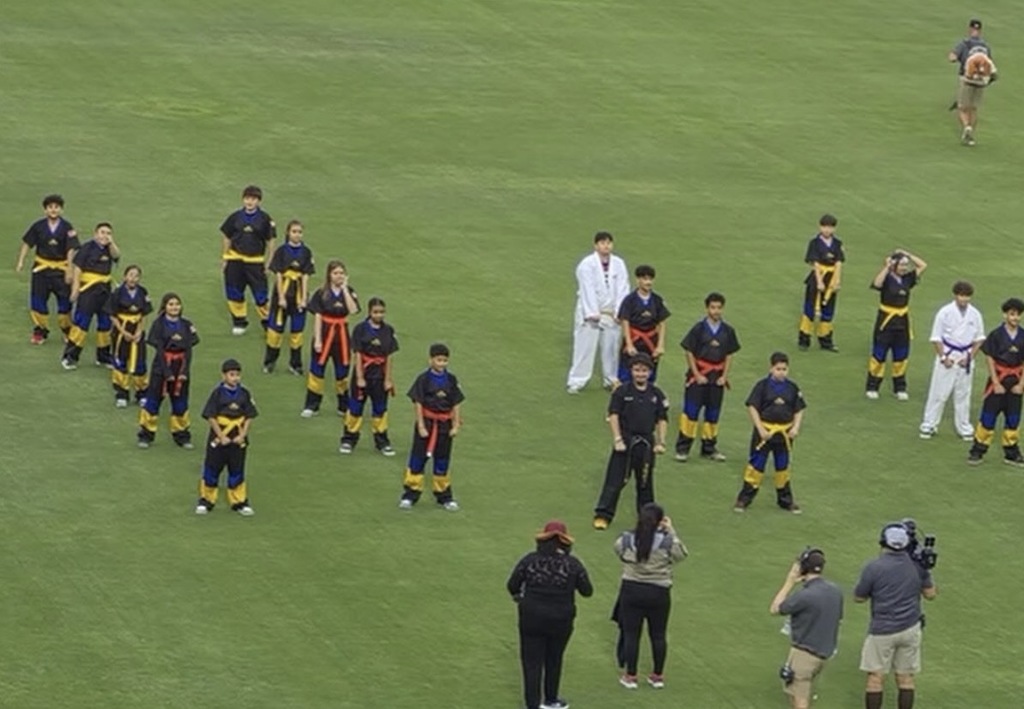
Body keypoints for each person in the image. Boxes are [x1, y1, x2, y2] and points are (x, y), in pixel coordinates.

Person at [506, 520, 593, 709]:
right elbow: (587, 591)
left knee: (531, 662)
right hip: (561, 619)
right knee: (554, 658)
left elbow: (512, 585)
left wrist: (519, 597)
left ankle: (532, 704)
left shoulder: (529, 560)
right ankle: (551, 700)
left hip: (531, 617)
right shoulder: (573, 564)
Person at [855, 523, 937, 709]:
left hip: (882, 630)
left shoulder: (873, 567)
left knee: (875, 679)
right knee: (906, 678)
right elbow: (930, 594)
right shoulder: (918, 566)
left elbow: (859, 597)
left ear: (883, 542)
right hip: (910, 628)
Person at [612, 503, 687, 690]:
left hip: (631, 590)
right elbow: (681, 554)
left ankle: (631, 676)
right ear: (660, 521)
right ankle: (657, 676)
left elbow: (619, 551)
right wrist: (671, 531)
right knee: (658, 635)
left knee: (631, 634)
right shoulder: (666, 541)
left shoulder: (627, 539)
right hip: (659, 591)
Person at [593, 353, 669, 530]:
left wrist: (661, 442)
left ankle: (648, 520)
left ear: (650, 372)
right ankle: (603, 515)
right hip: (625, 441)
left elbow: (662, 419)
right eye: (637, 370)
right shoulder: (622, 392)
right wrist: (617, 439)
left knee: (645, 483)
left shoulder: (656, 394)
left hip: (646, 444)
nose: (640, 374)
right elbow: (613, 415)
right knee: (615, 481)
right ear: (631, 371)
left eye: (644, 371)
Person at [769, 549, 844, 709]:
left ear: (803, 568)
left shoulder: (805, 595)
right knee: (798, 694)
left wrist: (790, 581)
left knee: (800, 700)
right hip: (824, 653)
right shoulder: (835, 591)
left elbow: (775, 608)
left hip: (804, 654)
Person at [733, 352, 806, 514]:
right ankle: (744, 499)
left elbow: (799, 409)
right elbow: (752, 407)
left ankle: (785, 501)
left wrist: (795, 428)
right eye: (778, 369)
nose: (781, 372)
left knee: (783, 467)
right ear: (771, 368)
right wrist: (760, 429)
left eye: (784, 369)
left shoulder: (792, 388)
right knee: (756, 466)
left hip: (784, 434)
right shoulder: (762, 386)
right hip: (764, 434)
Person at [675, 292, 741, 462]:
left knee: (713, 414)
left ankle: (709, 448)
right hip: (698, 377)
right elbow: (689, 351)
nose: (716, 311)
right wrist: (696, 374)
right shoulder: (698, 329)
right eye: (713, 307)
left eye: (719, 307)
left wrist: (724, 376)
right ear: (707, 308)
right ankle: (683, 449)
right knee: (691, 413)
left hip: (716, 378)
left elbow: (729, 354)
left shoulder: (728, 331)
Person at [399, 343, 465, 511]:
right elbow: (418, 403)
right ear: (431, 360)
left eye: (444, 360)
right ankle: (410, 495)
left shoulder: (451, 380)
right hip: (427, 423)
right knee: (417, 460)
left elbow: (456, 403)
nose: (441, 363)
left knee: (442, 460)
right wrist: (421, 425)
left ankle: (444, 496)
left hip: (444, 425)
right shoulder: (423, 379)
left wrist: (455, 424)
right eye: (438, 360)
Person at [919, 281, 986, 440]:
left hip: (965, 357)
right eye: (961, 295)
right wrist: (943, 357)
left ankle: (964, 427)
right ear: (955, 295)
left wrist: (970, 357)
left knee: (963, 394)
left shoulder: (975, 314)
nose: (964, 299)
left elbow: (979, 338)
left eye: (967, 296)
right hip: (948, 355)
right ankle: (929, 424)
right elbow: (936, 338)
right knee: (939, 393)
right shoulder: (945, 312)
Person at [566, 231, 630, 393]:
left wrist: (620, 311)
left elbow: (623, 288)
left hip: (611, 313)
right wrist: (592, 312)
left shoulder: (619, 264)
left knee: (611, 348)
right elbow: (586, 289)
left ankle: (611, 379)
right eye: (602, 243)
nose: (606, 246)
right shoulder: (586, 264)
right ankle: (577, 380)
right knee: (584, 347)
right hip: (590, 312)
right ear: (596, 246)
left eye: (608, 243)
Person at [196, 359, 258, 516]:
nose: (235, 378)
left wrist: (242, 435)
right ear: (223, 376)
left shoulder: (244, 393)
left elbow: (249, 416)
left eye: (237, 375)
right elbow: (211, 416)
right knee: (212, 468)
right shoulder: (217, 394)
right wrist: (221, 436)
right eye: (231, 375)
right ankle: (206, 500)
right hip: (219, 437)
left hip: (237, 437)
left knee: (237, 469)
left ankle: (239, 502)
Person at [137, 293, 200, 449]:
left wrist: (184, 371)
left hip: (180, 367)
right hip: (161, 367)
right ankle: (146, 435)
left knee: (180, 403)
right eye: (171, 304)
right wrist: (166, 372)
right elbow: (159, 350)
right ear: (164, 306)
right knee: (153, 401)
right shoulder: (158, 324)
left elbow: (189, 350)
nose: (174, 307)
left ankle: (182, 436)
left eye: (177, 304)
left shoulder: (186, 324)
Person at [15, 194, 79, 344]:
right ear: (45, 210)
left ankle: (67, 330)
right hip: (41, 270)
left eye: (56, 207)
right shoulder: (38, 226)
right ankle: (40, 331)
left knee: (65, 303)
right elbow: (27, 243)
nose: (53, 210)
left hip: (61, 270)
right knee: (38, 302)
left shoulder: (67, 227)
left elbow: (71, 249)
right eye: (50, 207)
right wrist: (21, 261)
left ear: (61, 210)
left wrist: (70, 269)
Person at [967, 298, 1024, 466]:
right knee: (988, 417)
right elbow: (990, 358)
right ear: (1005, 315)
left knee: (1013, 418)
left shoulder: (1023, 335)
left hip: (1015, 381)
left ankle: (1011, 452)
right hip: (998, 380)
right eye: (1012, 314)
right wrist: (996, 382)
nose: (1015, 318)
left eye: (1018, 315)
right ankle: (978, 450)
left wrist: (1021, 385)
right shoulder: (996, 335)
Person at [340, 297, 399, 456]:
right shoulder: (360, 329)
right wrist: (360, 377)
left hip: (379, 375)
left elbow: (389, 356)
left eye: (381, 312)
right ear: (369, 312)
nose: (379, 315)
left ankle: (382, 442)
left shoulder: (388, 330)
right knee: (355, 408)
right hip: (364, 373)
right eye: (376, 312)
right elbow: (358, 354)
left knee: (380, 409)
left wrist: (388, 379)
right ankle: (348, 440)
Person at [866, 251, 928, 400]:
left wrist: (908, 254)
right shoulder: (887, 278)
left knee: (901, 356)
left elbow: (922, 265)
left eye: (906, 265)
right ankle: (872, 386)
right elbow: (876, 284)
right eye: (901, 265)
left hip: (902, 321)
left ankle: (900, 388)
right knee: (879, 355)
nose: (904, 268)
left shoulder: (907, 279)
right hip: (886, 321)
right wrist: (887, 267)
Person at [301, 260, 359, 417]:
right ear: (329, 275)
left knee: (342, 373)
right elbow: (318, 316)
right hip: (325, 334)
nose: (339, 276)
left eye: (341, 273)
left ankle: (343, 406)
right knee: (317, 371)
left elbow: (353, 310)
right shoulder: (321, 293)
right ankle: (312, 406)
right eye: (336, 273)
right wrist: (318, 340)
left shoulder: (349, 292)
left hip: (342, 337)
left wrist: (345, 289)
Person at [60, 222, 120, 370]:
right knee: (82, 324)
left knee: (105, 325)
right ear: (95, 234)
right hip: (88, 291)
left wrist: (111, 243)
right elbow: (78, 269)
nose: (105, 236)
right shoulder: (87, 248)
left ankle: (103, 357)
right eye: (102, 232)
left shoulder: (109, 249)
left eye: (108, 233)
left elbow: (117, 256)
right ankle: (70, 357)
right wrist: (75, 289)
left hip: (105, 291)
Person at [219, 185, 276, 335]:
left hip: (255, 262)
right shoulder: (235, 217)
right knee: (234, 291)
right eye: (247, 198)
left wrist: (269, 262)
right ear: (243, 199)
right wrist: (225, 258)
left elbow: (271, 241)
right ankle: (239, 322)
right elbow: (226, 237)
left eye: (253, 199)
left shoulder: (265, 219)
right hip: (235, 260)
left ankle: (267, 323)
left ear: (259, 201)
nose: (250, 202)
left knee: (261, 294)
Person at [263, 219, 315, 375]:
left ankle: (295, 364)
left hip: (298, 295)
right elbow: (278, 274)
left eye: (300, 232)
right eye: (294, 231)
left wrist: (304, 299)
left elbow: (306, 276)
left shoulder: (306, 252)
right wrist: (281, 297)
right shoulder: (281, 251)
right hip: (283, 293)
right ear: (288, 233)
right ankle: (270, 362)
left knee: (297, 333)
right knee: (275, 331)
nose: (297, 235)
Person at [107, 264, 153, 407]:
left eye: (136, 276)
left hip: (137, 331)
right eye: (131, 275)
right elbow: (112, 315)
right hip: (121, 332)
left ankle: (142, 393)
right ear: (125, 276)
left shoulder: (143, 292)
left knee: (140, 362)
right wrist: (123, 331)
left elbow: (144, 314)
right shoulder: (117, 293)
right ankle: (122, 394)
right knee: (121, 362)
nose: (133, 279)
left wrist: (139, 331)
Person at [616, 264, 670, 384]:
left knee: (649, 374)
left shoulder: (657, 300)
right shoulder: (629, 300)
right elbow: (625, 321)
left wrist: (660, 345)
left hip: (650, 342)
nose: (648, 282)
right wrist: (629, 344)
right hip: (634, 340)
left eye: (650, 279)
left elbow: (662, 323)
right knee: (626, 374)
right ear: (638, 280)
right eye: (645, 279)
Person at [798, 215, 845, 352]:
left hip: (831, 278)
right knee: (809, 309)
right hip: (817, 278)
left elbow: (839, 263)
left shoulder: (837, 243)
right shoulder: (814, 243)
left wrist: (837, 281)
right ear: (820, 227)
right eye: (824, 227)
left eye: (830, 227)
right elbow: (815, 263)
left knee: (828, 311)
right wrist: (819, 282)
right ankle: (804, 340)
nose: (827, 230)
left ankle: (826, 340)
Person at [948, 19, 997, 146]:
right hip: (980, 82)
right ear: (980, 30)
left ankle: (967, 127)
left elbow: (952, 57)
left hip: (967, 80)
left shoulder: (964, 44)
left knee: (962, 108)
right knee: (974, 108)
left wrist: (956, 58)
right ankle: (970, 137)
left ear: (969, 29)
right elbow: (989, 64)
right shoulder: (985, 46)